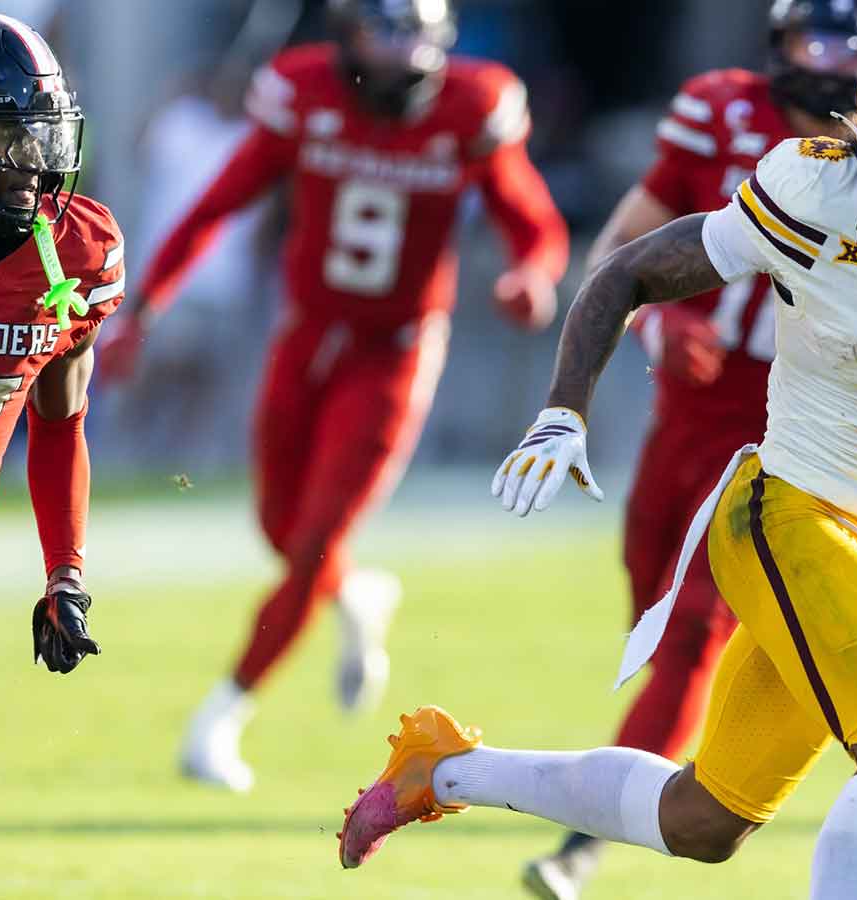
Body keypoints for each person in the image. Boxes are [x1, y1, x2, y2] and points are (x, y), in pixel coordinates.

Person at [336, 13, 857, 900]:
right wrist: (564, 410)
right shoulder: (818, 195)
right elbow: (627, 272)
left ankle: (445, 769)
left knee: (702, 821)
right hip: (788, 513)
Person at [103, 0, 569, 792]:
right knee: (278, 525)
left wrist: (533, 273)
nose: (398, 56)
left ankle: (222, 715)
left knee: (315, 538)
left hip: (396, 352)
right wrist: (141, 311)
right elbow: (217, 204)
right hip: (305, 336)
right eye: (382, 36)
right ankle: (355, 593)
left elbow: (535, 223)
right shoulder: (303, 91)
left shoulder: (471, 105)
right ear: (347, 37)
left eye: (413, 37)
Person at [519, 3, 857, 898]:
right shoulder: (721, 107)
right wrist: (661, 327)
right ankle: (637, 775)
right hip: (689, 408)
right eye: (813, 41)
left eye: (850, 47)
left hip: (794, 423)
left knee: (694, 628)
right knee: (650, 604)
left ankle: (582, 846)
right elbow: (625, 247)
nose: (828, 62)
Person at [0, 12, 118, 680]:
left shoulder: (73, 255)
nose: (33, 166)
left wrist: (66, 574)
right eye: (8, 137)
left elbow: (60, 424)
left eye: (42, 137)